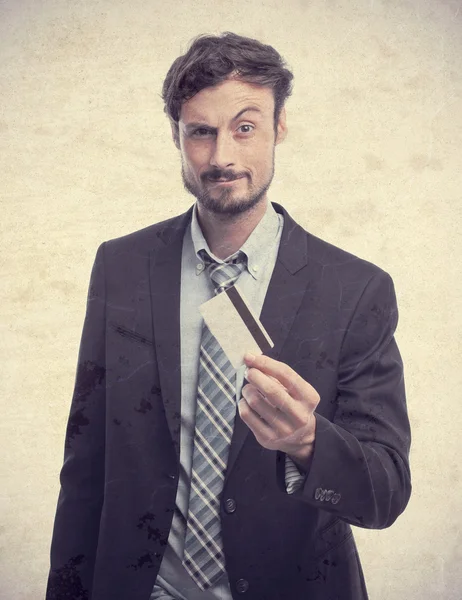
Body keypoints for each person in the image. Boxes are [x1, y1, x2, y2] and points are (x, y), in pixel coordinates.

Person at [46, 32, 411, 600]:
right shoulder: (121, 266)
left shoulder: (356, 290)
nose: (222, 157)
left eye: (245, 127)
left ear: (279, 126)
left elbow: (386, 490)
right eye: (201, 132)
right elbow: (85, 463)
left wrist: (308, 441)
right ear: (177, 136)